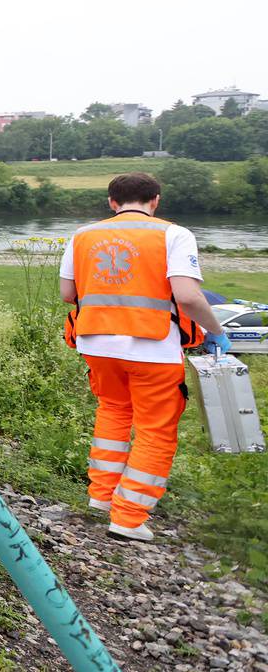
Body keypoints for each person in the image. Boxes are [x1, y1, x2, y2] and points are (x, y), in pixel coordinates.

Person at [59, 172, 227, 543]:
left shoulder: (83, 235)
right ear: (156, 200)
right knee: (155, 430)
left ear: (111, 202)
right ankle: (129, 518)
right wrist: (215, 330)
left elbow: (67, 292)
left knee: (114, 413)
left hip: (96, 344)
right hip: (152, 348)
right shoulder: (174, 234)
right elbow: (187, 296)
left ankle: (101, 497)